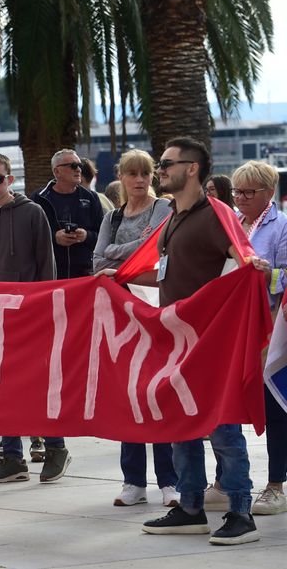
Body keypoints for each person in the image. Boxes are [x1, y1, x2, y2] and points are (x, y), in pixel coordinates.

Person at [110, 138, 265, 545]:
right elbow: (165, 274)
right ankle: (191, 508)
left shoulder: (215, 214)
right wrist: (119, 278)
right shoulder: (173, 218)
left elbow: (243, 257)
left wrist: (255, 266)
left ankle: (240, 513)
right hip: (176, 340)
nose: (160, 170)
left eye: (166, 163)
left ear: (192, 168)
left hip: (211, 340)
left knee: (222, 428)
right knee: (182, 425)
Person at [0, 152, 67, 484]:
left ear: (11, 179)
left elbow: (46, 265)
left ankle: (56, 448)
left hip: (30, 316)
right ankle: (12, 458)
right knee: (0, 389)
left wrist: (46, 310)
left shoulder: (33, 214)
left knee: (40, 386)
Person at [92, 150, 177, 507]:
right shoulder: (111, 216)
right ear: (122, 178)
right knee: (128, 396)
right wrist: (128, 251)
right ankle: (134, 481)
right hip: (121, 315)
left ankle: (169, 481)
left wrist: (118, 254)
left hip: (157, 311)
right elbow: (96, 260)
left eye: (145, 173)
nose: (139, 180)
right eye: (132, 174)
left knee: (158, 395)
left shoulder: (163, 209)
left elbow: (154, 249)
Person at [206, 161, 287, 516]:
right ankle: (226, 480)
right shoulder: (229, 225)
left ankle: (275, 485)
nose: (240, 198)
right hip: (229, 332)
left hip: (270, 330)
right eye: (237, 191)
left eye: (249, 192)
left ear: (270, 192)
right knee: (226, 408)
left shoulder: (281, 226)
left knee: (275, 410)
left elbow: (285, 276)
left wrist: (266, 274)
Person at [33, 149, 104, 280]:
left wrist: (86, 236)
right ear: (57, 172)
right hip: (50, 275)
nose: (78, 169)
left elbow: (104, 236)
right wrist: (54, 238)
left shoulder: (91, 197)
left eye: (79, 165)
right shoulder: (39, 199)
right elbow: (29, 238)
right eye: (72, 166)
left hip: (85, 275)